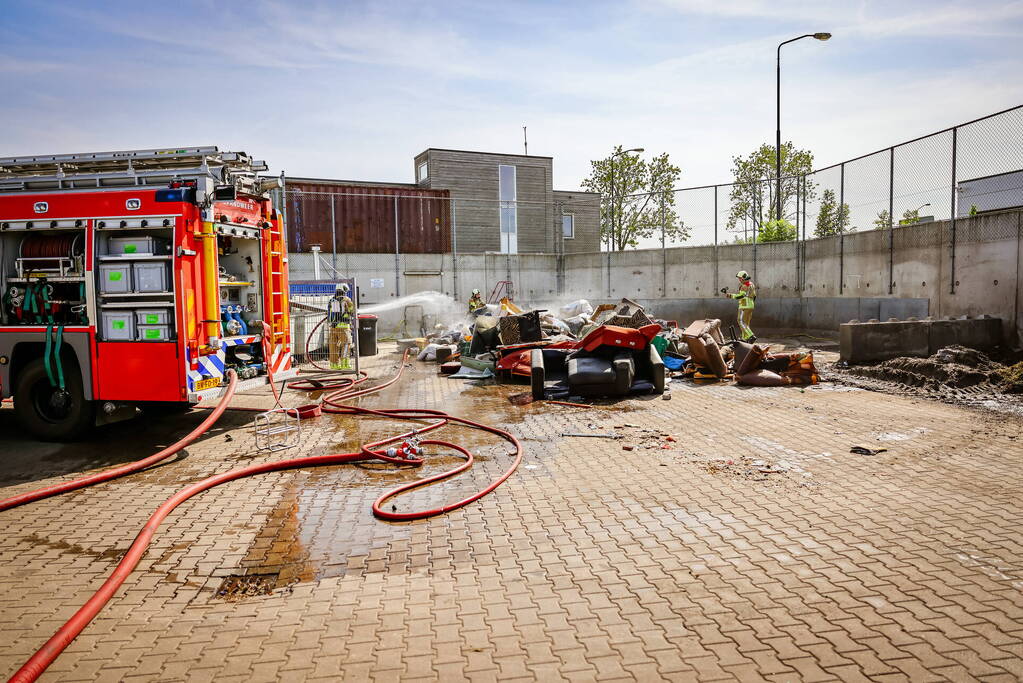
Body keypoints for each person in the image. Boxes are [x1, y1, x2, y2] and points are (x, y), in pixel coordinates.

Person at [721, 270, 757, 342]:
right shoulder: (752, 284)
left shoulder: (744, 286)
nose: (739, 280)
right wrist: (751, 303)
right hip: (750, 305)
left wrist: (729, 295)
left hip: (744, 306)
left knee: (741, 321)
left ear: (743, 278)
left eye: (740, 278)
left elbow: (740, 296)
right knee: (746, 323)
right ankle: (745, 338)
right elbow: (754, 296)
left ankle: (750, 336)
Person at [327, 283, 354, 370]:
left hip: (333, 328)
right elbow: (352, 311)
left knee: (333, 346)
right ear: (343, 290)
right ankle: (345, 365)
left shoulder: (331, 300)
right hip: (344, 328)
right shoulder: (346, 300)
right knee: (346, 345)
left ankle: (334, 365)